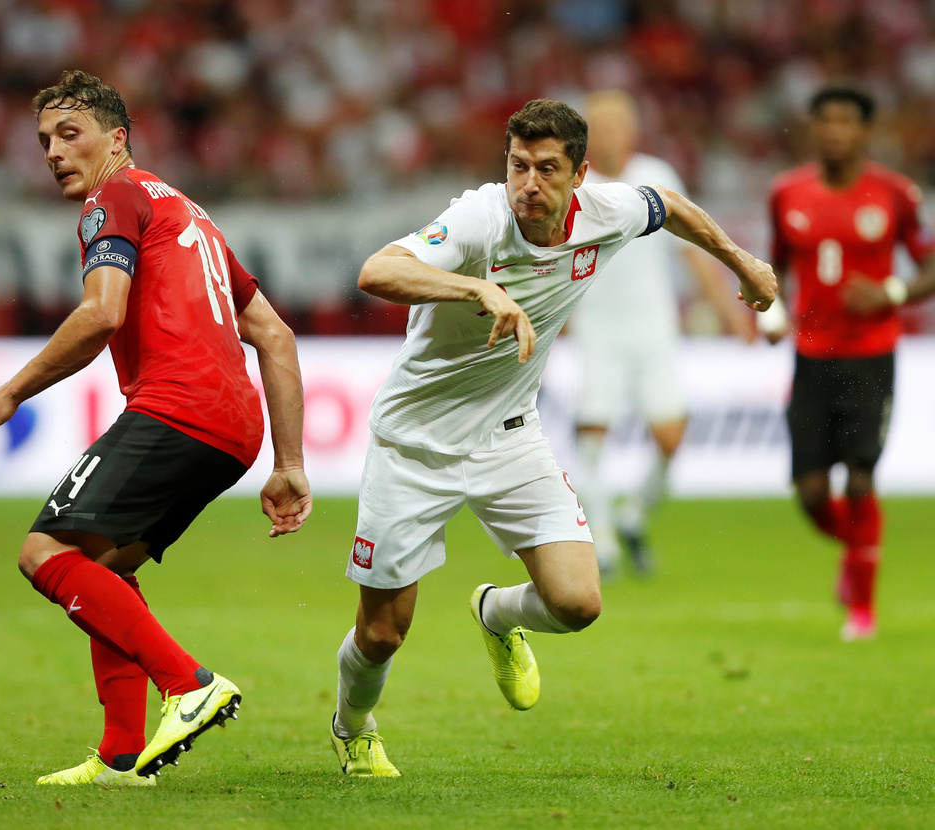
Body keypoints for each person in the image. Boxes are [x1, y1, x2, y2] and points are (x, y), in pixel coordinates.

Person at [329, 98, 776, 777]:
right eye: (517, 166)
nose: (528, 184)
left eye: (545, 169)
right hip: (414, 444)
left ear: (580, 175)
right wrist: (477, 291)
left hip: (510, 438)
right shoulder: (479, 219)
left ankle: (496, 613)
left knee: (577, 604)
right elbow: (377, 271)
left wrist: (742, 262)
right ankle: (353, 725)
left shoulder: (607, 211)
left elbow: (669, 205)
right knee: (384, 633)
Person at [0, 70, 311, 785]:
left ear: (117, 139)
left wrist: (8, 394)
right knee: (107, 568)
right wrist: (289, 463)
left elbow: (101, 313)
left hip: (178, 407)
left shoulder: (113, 198)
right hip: (233, 427)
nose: (54, 152)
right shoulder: (188, 212)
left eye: (71, 134)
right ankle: (121, 755)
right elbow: (275, 336)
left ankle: (188, 683)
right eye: (45, 140)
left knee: (44, 553)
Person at [762, 86, 935, 641]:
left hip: (871, 354)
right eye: (825, 120)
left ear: (865, 131)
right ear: (812, 128)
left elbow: (930, 266)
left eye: (846, 121)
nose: (834, 130)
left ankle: (862, 606)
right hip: (811, 356)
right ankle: (860, 548)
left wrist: (891, 292)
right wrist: (772, 312)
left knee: (860, 480)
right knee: (812, 494)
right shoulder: (786, 192)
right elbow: (774, 266)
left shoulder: (895, 193)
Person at [571, 90, 757, 577]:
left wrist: (730, 309)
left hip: (653, 328)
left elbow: (693, 248)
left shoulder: (656, 177)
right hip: (598, 329)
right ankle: (602, 542)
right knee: (593, 433)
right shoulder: (574, 186)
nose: (608, 136)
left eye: (616, 126)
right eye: (599, 128)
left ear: (632, 131)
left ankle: (633, 514)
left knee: (671, 438)